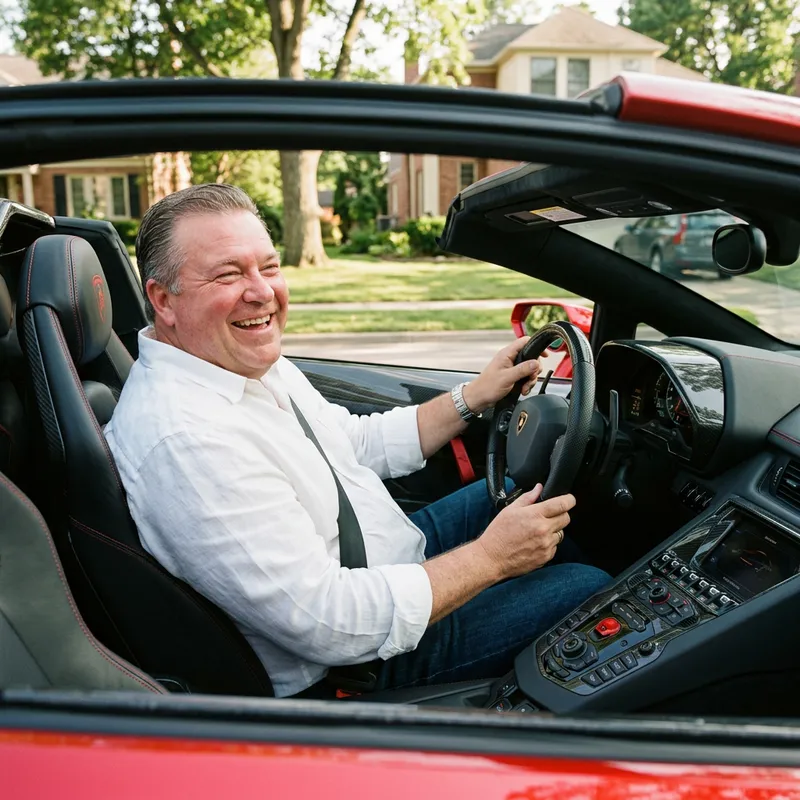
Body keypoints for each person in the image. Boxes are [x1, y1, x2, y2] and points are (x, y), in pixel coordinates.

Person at [105, 183, 610, 699]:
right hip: (358, 667)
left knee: (529, 487)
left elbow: (350, 442)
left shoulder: (237, 364)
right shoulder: (187, 440)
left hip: (383, 559)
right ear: (163, 300)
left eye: (269, 267)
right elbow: (328, 622)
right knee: (592, 592)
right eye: (228, 274)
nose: (261, 292)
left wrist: (473, 397)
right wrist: (492, 559)